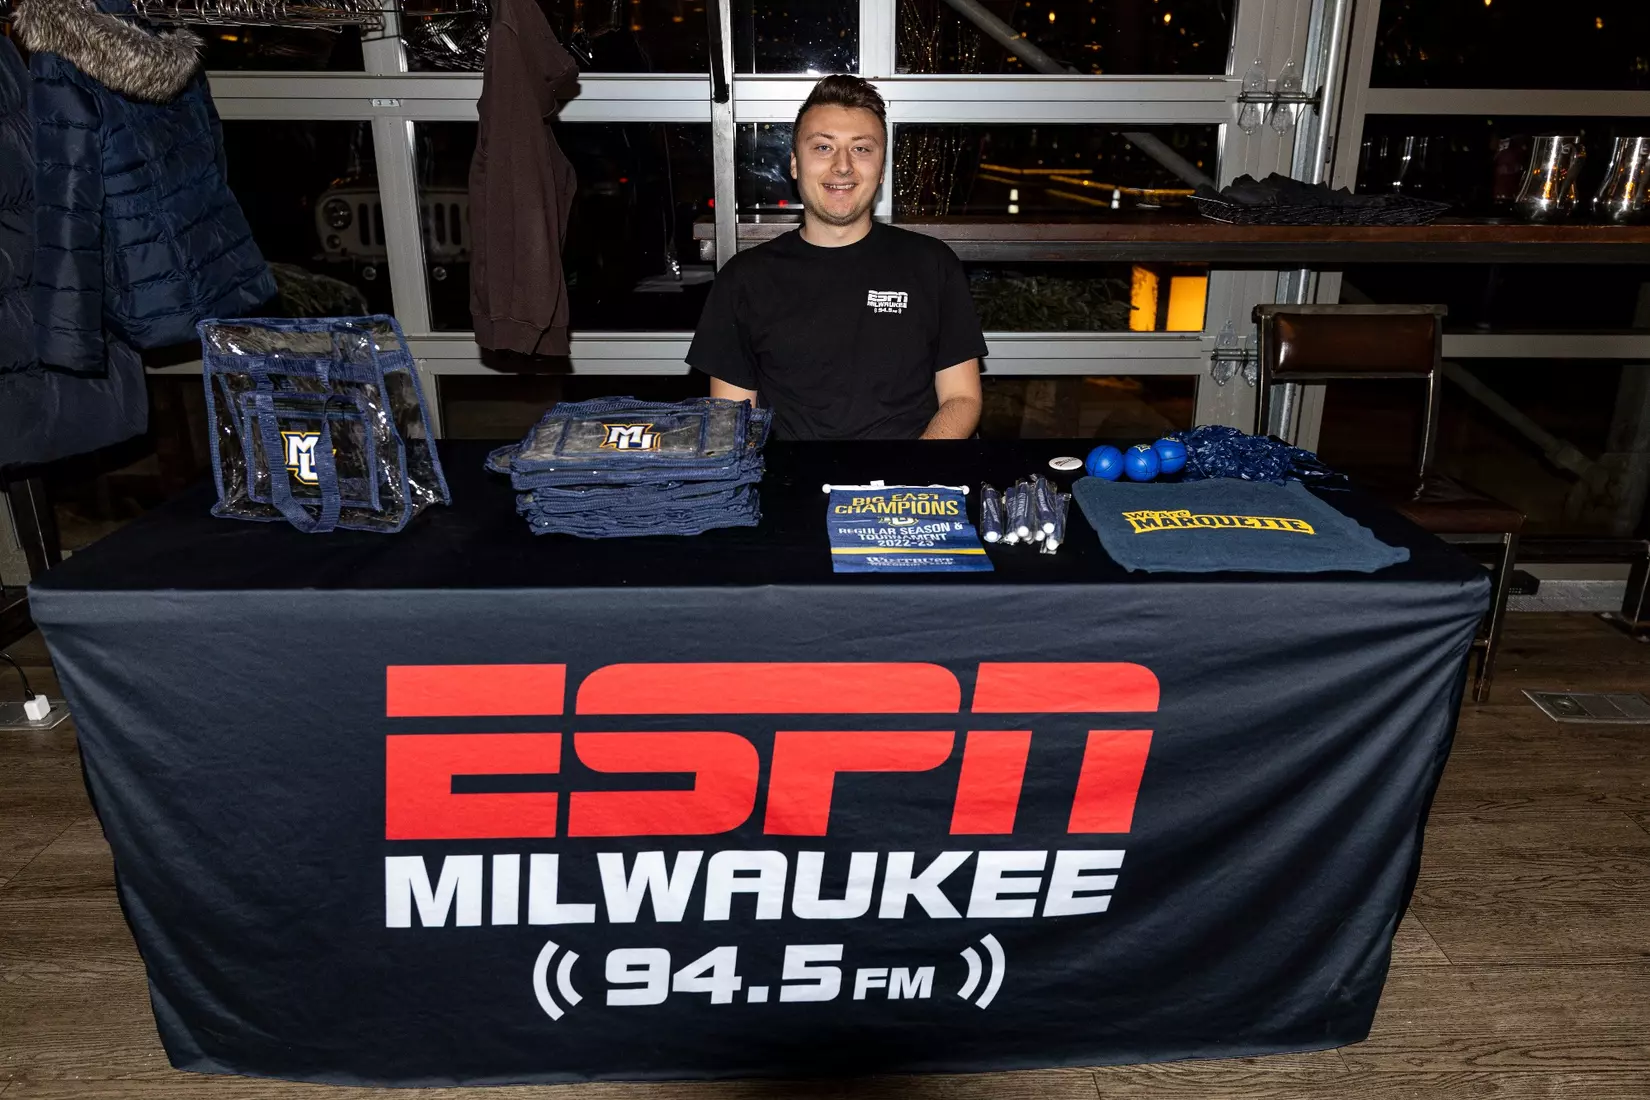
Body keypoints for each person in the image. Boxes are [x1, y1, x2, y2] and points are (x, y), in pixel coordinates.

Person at [687, 75, 987, 441]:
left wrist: (913, 467)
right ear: (795, 164)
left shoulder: (933, 264)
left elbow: (961, 398)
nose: (843, 166)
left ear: (881, 169)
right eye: (823, 147)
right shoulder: (744, 278)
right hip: (791, 474)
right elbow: (732, 421)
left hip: (911, 470)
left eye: (861, 149)